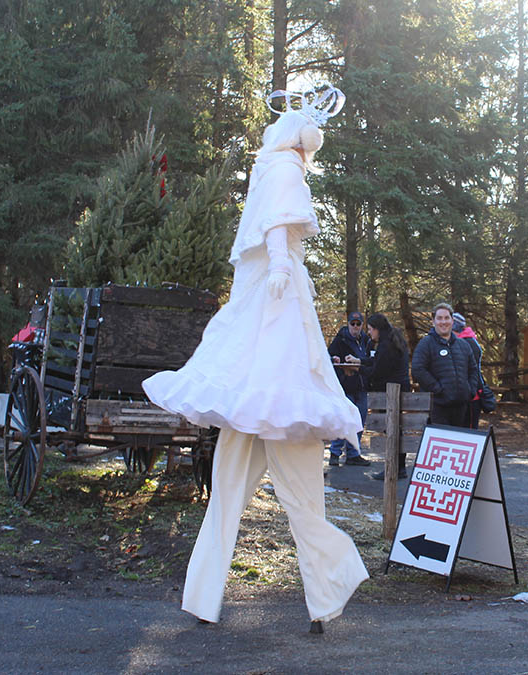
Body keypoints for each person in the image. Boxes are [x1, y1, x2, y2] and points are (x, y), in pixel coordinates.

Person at [141, 97, 368, 632]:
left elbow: (267, 227)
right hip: (278, 310)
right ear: (300, 143)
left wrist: (278, 270)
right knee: (302, 493)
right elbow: (277, 228)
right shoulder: (286, 168)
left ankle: (204, 597)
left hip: (260, 328)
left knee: (229, 489)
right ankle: (328, 588)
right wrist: (284, 270)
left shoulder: (265, 168)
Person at [410, 302, 480, 429]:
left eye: (447, 318)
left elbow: (473, 370)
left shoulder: (463, 345)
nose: (443, 322)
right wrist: (438, 389)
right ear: (433, 321)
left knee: (460, 444)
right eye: (439, 318)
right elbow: (418, 369)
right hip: (438, 407)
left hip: (461, 406)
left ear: (452, 321)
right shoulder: (426, 344)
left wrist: (470, 390)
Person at [361, 313, 411, 480]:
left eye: (370, 330)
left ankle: (394, 467)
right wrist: (360, 361)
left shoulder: (386, 345)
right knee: (397, 428)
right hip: (401, 390)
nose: (369, 333)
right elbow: (378, 362)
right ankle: (399, 467)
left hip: (390, 393)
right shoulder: (394, 339)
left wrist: (357, 369)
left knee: (391, 429)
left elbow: (378, 372)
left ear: (377, 329)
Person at [326, 310, 372, 466]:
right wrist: (334, 359)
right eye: (352, 323)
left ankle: (353, 454)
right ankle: (334, 453)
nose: (355, 327)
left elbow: (370, 359)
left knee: (359, 420)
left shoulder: (367, 340)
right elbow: (327, 357)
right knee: (343, 420)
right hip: (345, 386)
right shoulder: (340, 339)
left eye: (358, 324)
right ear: (348, 323)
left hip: (362, 385)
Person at [451, 312, 483, 428]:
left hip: (471, 396)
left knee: (469, 431)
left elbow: (470, 371)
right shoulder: (463, 341)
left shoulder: (468, 343)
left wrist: (469, 392)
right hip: (462, 395)